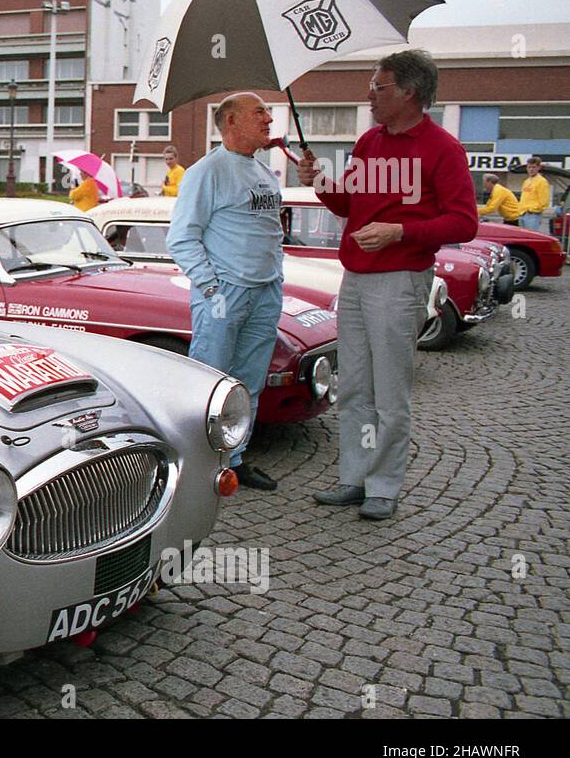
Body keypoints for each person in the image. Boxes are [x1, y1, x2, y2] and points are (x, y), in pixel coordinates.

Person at [299, 49, 478, 521]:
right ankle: (354, 479)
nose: (370, 95)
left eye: (378, 87)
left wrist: (401, 231)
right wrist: (319, 180)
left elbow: (464, 222)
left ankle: (384, 485)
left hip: (400, 280)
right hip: (356, 278)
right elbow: (347, 205)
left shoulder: (443, 149)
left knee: (390, 391)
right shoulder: (368, 142)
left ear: (409, 92)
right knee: (354, 385)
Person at [167, 93, 284, 491]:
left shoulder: (265, 172)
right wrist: (212, 286)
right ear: (231, 122)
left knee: (249, 382)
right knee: (208, 381)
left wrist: (274, 277)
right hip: (225, 293)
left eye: (268, 112)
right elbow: (182, 237)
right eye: (259, 113)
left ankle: (235, 458)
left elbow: (271, 232)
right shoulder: (207, 172)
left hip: (265, 291)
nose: (269, 119)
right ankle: (198, 464)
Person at [518, 156, 550, 231]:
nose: (531, 169)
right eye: (529, 167)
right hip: (522, 213)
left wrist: (533, 209)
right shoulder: (526, 181)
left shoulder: (542, 181)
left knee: (530, 237)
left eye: (534, 167)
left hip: (533, 215)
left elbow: (544, 201)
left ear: (538, 168)